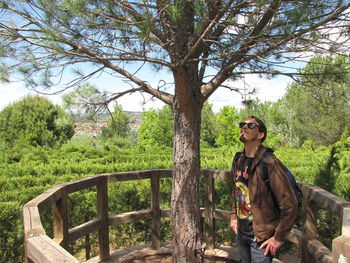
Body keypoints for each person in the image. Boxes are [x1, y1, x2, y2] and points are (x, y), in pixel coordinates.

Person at [230, 116, 297, 263]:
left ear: (261, 135)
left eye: (251, 125)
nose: (244, 127)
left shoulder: (270, 163)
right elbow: (235, 191)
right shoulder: (238, 160)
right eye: (243, 124)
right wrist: (233, 217)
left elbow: (289, 204)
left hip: (260, 238)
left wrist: (278, 238)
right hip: (242, 233)